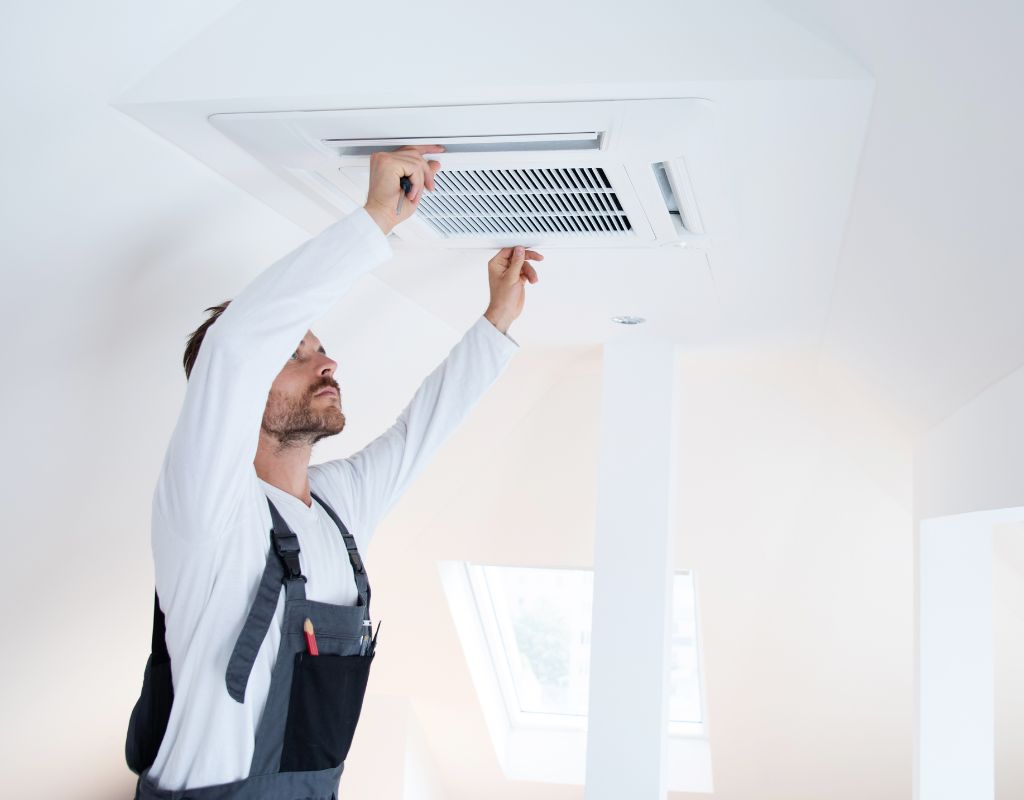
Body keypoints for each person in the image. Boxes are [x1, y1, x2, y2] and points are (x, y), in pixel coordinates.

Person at [127, 145, 543, 799]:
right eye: (295, 353)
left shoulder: (340, 507)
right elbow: (236, 347)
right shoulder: (206, 508)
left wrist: (498, 320)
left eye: (321, 349)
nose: (327, 364)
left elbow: (421, 432)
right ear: (237, 396)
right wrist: (376, 217)